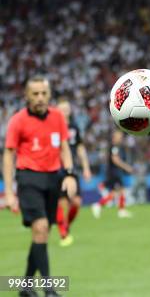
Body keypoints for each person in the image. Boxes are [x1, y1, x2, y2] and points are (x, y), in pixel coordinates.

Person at [3, 75, 77, 297]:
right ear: (26, 96)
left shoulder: (58, 118)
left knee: (41, 234)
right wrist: (8, 191)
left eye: (43, 93)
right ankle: (49, 289)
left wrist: (70, 173)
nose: (40, 98)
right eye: (35, 94)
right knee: (41, 227)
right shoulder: (17, 120)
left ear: (49, 95)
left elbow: (64, 147)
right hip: (28, 178)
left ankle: (25, 287)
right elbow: (8, 156)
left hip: (53, 178)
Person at [55, 98, 92, 247]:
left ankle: (65, 225)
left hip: (72, 169)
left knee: (76, 202)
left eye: (66, 109)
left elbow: (80, 148)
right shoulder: (53, 126)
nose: (64, 112)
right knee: (62, 202)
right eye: (61, 109)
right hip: (57, 169)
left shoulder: (74, 127)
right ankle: (63, 233)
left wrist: (86, 167)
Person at [91, 130, 134, 219]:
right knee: (117, 192)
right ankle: (99, 205)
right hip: (114, 173)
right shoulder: (114, 147)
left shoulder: (116, 147)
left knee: (119, 191)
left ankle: (120, 211)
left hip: (114, 172)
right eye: (119, 136)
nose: (121, 138)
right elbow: (115, 160)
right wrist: (126, 167)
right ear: (115, 136)